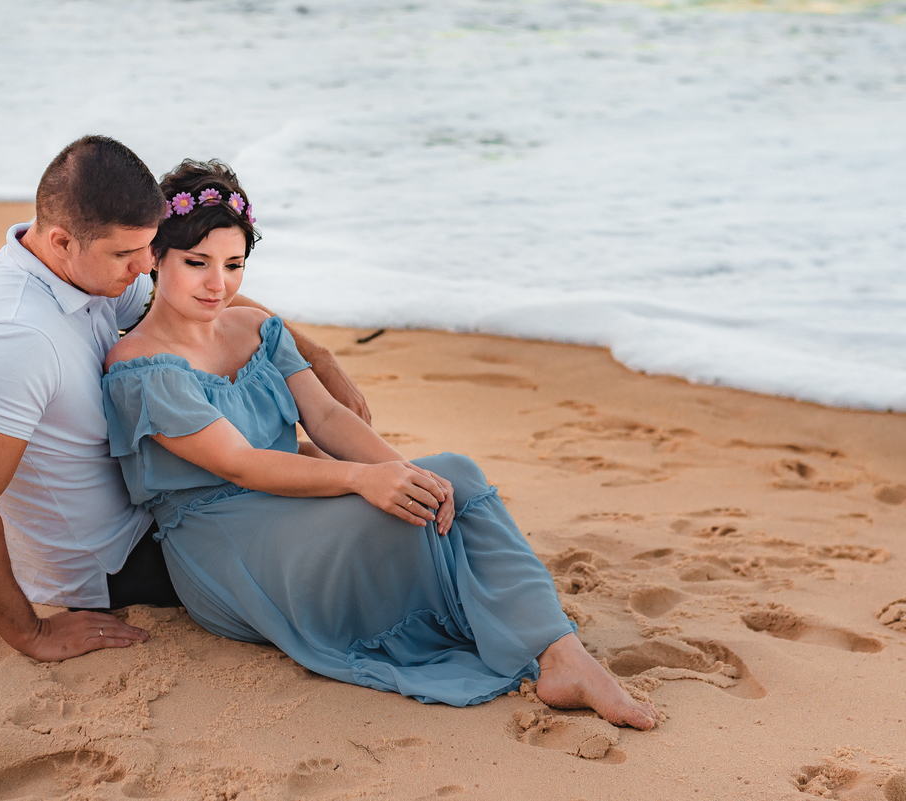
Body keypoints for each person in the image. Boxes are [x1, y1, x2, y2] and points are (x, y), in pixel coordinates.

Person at [101, 159, 657, 726]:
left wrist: (406, 474)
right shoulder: (140, 365)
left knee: (453, 477)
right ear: (155, 256)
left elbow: (325, 416)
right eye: (197, 263)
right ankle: (543, 642)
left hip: (295, 503)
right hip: (226, 544)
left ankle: (561, 653)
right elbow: (240, 464)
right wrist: (363, 478)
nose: (218, 284)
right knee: (397, 512)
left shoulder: (253, 329)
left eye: (234, 264)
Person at [0, 136, 369, 662]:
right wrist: (30, 634)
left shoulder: (90, 267)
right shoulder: (14, 338)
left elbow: (196, 300)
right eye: (127, 255)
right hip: (118, 557)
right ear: (62, 242)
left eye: (149, 246)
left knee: (310, 458)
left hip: (157, 499)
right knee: (348, 522)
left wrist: (316, 356)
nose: (146, 266)